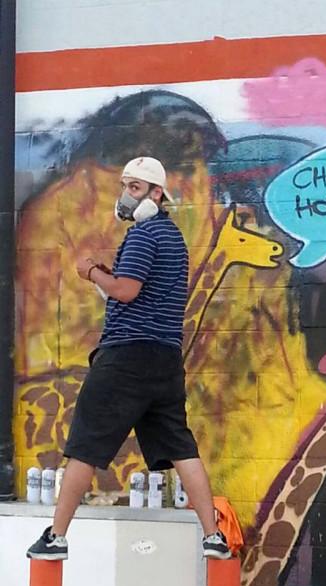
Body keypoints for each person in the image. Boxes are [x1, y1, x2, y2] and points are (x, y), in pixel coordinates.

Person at [27, 156, 231, 561]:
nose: (125, 194)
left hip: (127, 357)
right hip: (165, 360)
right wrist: (110, 277)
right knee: (180, 444)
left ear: (157, 194)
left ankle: (56, 536)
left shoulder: (143, 236)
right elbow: (139, 291)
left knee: (84, 443)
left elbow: (126, 292)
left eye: (135, 187)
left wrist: (89, 271)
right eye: (125, 185)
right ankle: (213, 536)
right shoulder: (173, 238)